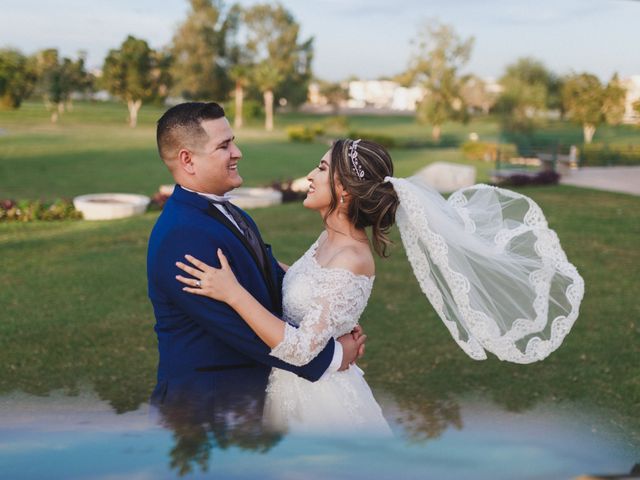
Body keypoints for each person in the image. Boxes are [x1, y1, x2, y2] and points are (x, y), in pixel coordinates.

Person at [176, 136, 585, 431]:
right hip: (292, 393)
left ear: (343, 190)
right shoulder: (329, 240)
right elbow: (304, 284)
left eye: (320, 168)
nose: (309, 176)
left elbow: (301, 350)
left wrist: (232, 293)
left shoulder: (352, 257)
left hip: (319, 406)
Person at [147, 102, 366, 432]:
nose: (237, 152)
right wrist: (334, 356)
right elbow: (243, 330)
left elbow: (272, 280)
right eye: (224, 146)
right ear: (187, 160)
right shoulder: (183, 235)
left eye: (233, 141)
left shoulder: (230, 212)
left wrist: (334, 309)